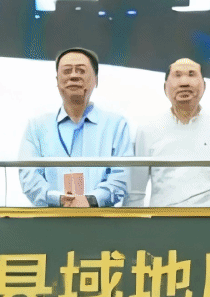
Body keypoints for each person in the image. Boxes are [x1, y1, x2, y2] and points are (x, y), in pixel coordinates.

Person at [125, 57, 210, 208]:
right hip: (163, 218)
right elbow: (135, 191)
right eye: (177, 75)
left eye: (191, 74)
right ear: (165, 87)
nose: (184, 82)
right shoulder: (147, 129)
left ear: (204, 86)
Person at [18, 47, 132, 208]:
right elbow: (29, 176)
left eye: (81, 70)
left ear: (96, 80)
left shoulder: (116, 125)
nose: (73, 76)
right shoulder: (37, 126)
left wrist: (91, 200)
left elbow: (122, 176)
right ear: (57, 80)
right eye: (67, 71)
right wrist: (57, 198)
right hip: (49, 217)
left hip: (100, 217)